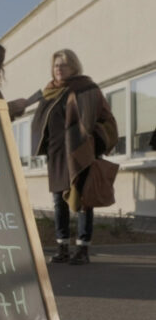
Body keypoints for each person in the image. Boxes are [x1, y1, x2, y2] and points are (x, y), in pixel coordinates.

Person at [31, 49, 118, 265]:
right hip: (57, 154)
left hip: (80, 152)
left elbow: (107, 120)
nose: (59, 69)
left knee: (82, 200)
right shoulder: (49, 92)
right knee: (59, 201)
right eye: (56, 65)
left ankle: (83, 249)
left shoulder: (87, 89)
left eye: (64, 65)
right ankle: (62, 248)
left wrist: (91, 138)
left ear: (74, 67)